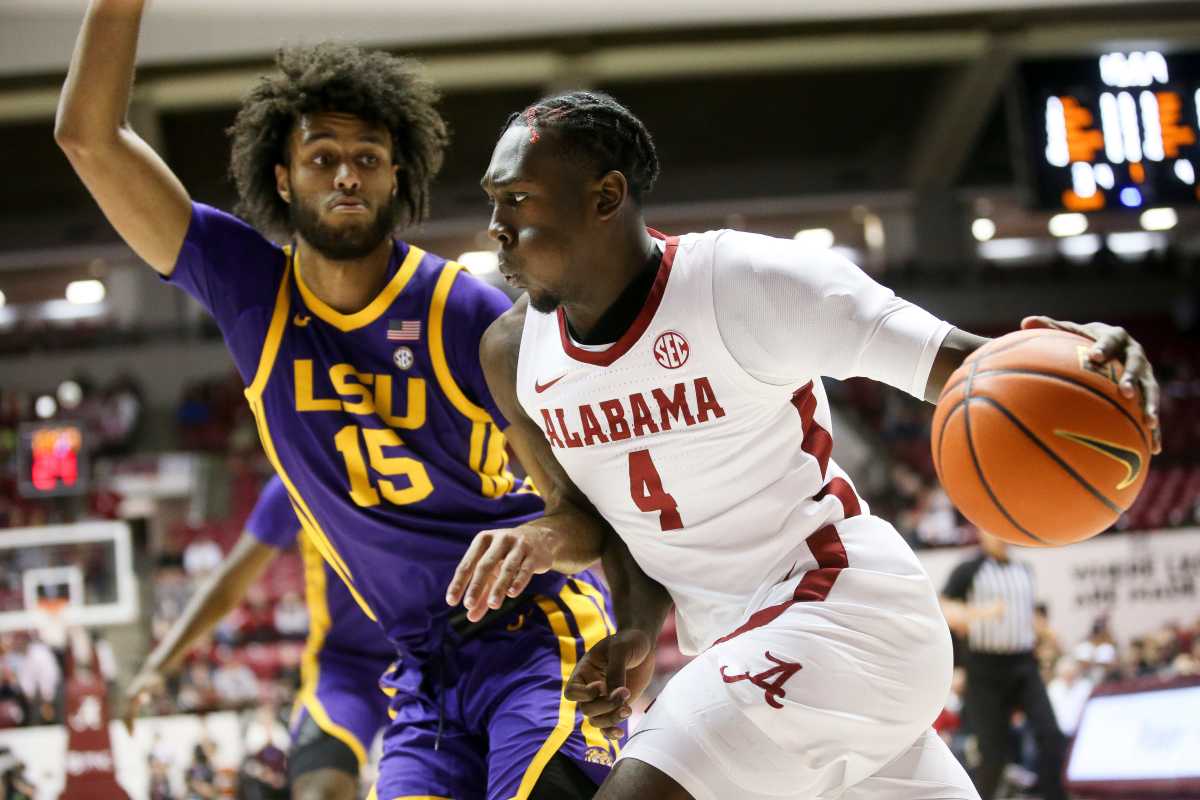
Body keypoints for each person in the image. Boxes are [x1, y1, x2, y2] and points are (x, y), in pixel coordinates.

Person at [451, 90, 1162, 800]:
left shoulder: (743, 282)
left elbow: (973, 369)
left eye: (517, 200)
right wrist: (635, 625)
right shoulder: (513, 356)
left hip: (842, 610)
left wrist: (1087, 358)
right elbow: (608, 521)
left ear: (606, 196)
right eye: (493, 202)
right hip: (746, 649)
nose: (495, 227)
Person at [57, 4, 618, 798]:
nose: (347, 174)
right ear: (282, 178)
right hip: (419, 667)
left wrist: (545, 539)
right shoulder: (250, 289)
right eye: (322, 157)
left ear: (398, 175)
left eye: (368, 157)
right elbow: (88, 137)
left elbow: (593, 516)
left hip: (538, 638)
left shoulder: (471, 316)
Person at [126, 476, 395, 800]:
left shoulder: (441, 450)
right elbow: (229, 583)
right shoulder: (301, 475)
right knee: (318, 792)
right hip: (346, 667)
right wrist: (159, 662)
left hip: (435, 656)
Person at [941, 531, 1068, 799]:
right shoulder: (968, 569)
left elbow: (1028, 613)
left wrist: (1047, 634)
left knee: (1051, 735)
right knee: (993, 752)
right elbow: (944, 609)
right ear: (980, 532)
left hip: (1023, 664)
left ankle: (1051, 794)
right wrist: (982, 612)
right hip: (985, 669)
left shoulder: (1024, 569)